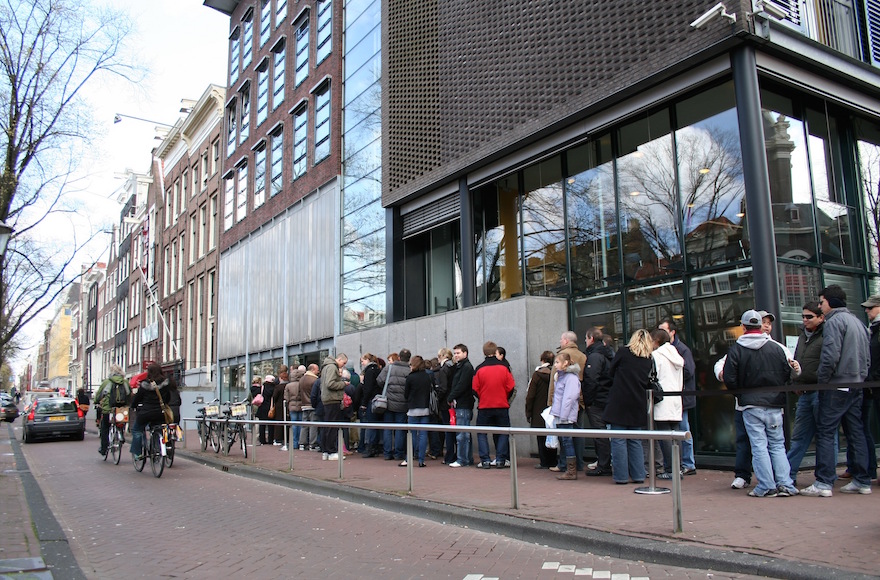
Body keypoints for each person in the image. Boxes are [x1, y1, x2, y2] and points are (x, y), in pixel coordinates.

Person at [801, 285, 872, 496]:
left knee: (825, 431)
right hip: (857, 383)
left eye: (822, 302)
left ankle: (824, 482)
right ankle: (862, 479)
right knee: (855, 431)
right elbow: (866, 356)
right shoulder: (858, 322)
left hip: (837, 384)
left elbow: (830, 355)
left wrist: (823, 381)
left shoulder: (834, 322)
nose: (820, 306)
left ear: (830, 302)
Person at [723, 310, 799, 497]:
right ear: (760, 327)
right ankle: (785, 483)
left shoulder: (736, 350)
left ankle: (766, 485)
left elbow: (729, 379)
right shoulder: (776, 348)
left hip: (750, 404)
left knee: (759, 445)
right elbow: (787, 373)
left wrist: (739, 393)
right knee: (777, 444)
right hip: (774, 403)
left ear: (743, 327)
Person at [603, 329, 654, 484]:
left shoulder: (624, 352)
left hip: (619, 400)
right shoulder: (648, 359)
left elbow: (610, 372)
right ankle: (638, 475)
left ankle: (621, 476)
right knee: (635, 440)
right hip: (638, 402)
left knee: (618, 440)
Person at [786, 302, 827, 485]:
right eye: (803, 316)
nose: (805, 320)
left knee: (826, 437)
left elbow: (829, 362)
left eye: (809, 317)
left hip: (820, 391)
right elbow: (798, 360)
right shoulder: (803, 336)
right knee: (799, 436)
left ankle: (824, 478)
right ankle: (788, 475)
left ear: (821, 317)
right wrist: (795, 379)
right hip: (804, 392)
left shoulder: (826, 335)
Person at [658, 320, 697, 476]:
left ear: (672, 332)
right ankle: (679, 464)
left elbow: (689, 371)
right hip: (675, 397)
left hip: (680, 397)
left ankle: (688, 463)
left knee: (683, 430)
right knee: (677, 431)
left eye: (663, 330)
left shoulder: (682, 350)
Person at [547, 331, 587, 473]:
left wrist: (551, 402)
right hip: (579, 402)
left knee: (566, 438)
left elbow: (555, 385)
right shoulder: (582, 356)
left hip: (565, 407)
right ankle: (579, 463)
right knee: (578, 434)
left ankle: (566, 465)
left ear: (565, 340)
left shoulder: (563, 360)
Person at [472, 341, 515, 468]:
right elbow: (511, 386)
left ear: (484, 352)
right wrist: (504, 397)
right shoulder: (504, 367)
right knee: (503, 432)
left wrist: (482, 397)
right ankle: (501, 459)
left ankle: (485, 460)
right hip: (501, 404)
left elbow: (475, 388)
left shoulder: (479, 368)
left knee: (481, 432)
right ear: (495, 351)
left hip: (485, 405)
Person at [650, 329, 684, 480]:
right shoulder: (676, 355)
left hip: (663, 400)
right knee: (676, 436)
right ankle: (678, 468)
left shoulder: (657, 356)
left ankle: (671, 470)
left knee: (664, 436)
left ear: (656, 341)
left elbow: (653, 377)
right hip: (676, 399)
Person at [582, 328, 614, 476]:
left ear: (591, 339)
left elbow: (591, 380)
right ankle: (605, 463)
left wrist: (588, 400)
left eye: (586, 338)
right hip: (607, 397)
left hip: (597, 400)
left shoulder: (595, 357)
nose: (585, 341)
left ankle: (604, 465)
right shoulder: (609, 354)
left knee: (599, 433)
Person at [129, 364, 173, 460]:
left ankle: (138, 453)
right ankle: (159, 448)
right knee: (160, 428)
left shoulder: (144, 384)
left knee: (137, 430)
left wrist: (133, 406)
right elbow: (168, 398)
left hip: (146, 413)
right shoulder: (165, 384)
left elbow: (137, 398)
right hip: (160, 413)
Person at [550, 352, 581, 480]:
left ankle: (571, 470)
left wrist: (562, 415)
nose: (555, 365)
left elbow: (569, 398)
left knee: (567, 442)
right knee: (565, 441)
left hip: (565, 416)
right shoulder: (562, 377)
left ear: (565, 363)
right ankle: (568, 468)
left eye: (557, 362)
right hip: (562, 414)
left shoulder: (571, 378)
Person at [859, 295, 880, 481]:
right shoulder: (871, 329)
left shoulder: (876, 330)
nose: (867, 311)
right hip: (871, 385)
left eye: (871, 308)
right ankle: (870, 469)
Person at [525, 350, 557, 469]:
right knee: (552, 434)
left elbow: (530, 395)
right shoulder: (555, 374)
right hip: (552, 410)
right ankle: (553, 460)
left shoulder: (537, 375)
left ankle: (544, 461)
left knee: (541, 436)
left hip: (538, 410)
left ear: (542, 360)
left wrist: (528, 411)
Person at [378, 349, 411, 461]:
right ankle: (398, 453)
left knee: (387, 428)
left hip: (389, 403)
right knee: (400, 429)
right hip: (403, 404)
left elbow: (379, 380)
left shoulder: (389, 368)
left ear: (399, 358)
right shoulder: (409, 370)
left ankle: (387, 453)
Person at [447, 344, 475, 468]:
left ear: (465, 353)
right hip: (462, 402)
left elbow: (461, 385)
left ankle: (462, 459)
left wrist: (451, 396)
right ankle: (466, 458)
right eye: (455, 353)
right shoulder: (461, 367)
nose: (456, 355)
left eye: (458, 353)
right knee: (464, 432)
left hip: (463, 402)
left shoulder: (466, 367)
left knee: (462, 433)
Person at [403, 355, 433, 467]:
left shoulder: (410, 377)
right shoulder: (427, 376)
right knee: (423, 434)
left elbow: (406, 394)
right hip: (425, 408)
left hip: (413, 408)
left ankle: (409, 458)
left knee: (412, 434)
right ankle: (421, 460)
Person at [94, 364, 129, 456]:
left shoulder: (107, 382)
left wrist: (96, 401)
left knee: (105, 428)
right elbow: (129, 394)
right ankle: (121, 435)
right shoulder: (125, 382)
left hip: (108, 409)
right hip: (121, 409)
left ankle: (104, 448)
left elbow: (99, 395)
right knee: (121, 422)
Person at [320, 353, 349, 461]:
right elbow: (330, 384)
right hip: (332, 399)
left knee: (328, 425)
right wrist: (343, 384)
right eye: (343, 363)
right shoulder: (332, 367)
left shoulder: (326, 367)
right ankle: (331, 451)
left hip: (327, 398)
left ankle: (326, 450)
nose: (343, 366)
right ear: (339, 359)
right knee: (332, 426)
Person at [431, 348, 455, 463]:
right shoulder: (453, 367)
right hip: (453, 402)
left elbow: (443, 388)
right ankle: (454, 454)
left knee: (447, 430)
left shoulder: (444, 369)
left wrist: (437, 398)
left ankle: (449, 456)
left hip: (446, 403)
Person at [284, 365, 307, 451]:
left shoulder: (288, 386)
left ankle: (294, 443)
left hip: (292, 405)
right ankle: (301, 442)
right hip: (301, 405)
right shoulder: (301, 384)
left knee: (294, 424)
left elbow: (286, 397)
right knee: (301, 424)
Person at [299, 364, 320, 450]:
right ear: (313, 370)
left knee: (304, 425)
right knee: (313, 425)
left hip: (304, 405)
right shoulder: (315, 380)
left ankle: (302, 443)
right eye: (317, 370)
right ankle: (313, 444)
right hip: (312, 405)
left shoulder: (301, 379)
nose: (318, 371)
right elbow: (315, 394)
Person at [255, 375, 276, 445]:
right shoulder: (274, 388)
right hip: (271, 408)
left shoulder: (262, 388)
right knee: (271, 425)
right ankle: (270, 439)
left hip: (262, 407)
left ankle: (262, 440)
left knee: (262, 425)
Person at [272, 366, 289, 445]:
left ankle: (278, 439)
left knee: (278, 423)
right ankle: (286, 438)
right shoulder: (288, 386)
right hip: (287, 406)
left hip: (279, 407)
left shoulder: (278, 387)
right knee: (287, 422)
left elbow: (274, 397)